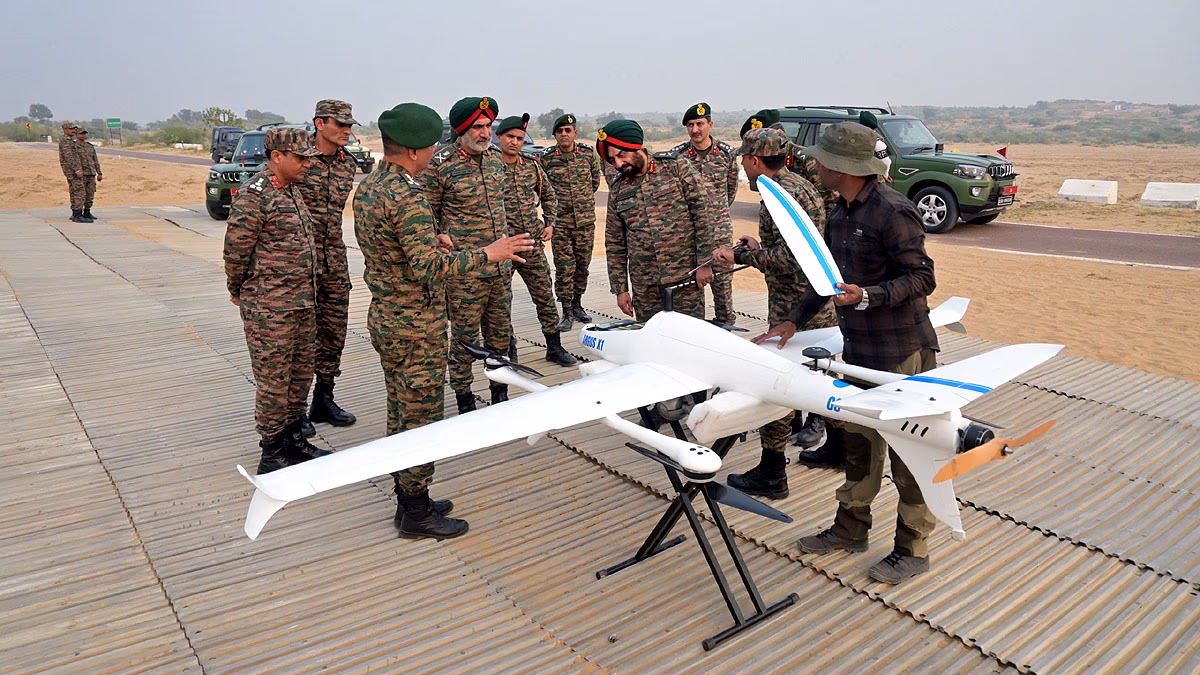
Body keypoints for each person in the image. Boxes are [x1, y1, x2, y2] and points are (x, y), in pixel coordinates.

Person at [754, 122, 940, 585]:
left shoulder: (893, 212)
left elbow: (922, 279)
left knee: (908, 455)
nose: (814, 165)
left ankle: (912, 549)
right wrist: (793, 320)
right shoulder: (839, 214)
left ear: (844, 167)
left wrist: (868, 296)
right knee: (859, 445)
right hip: (859, 351)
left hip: (901, 352)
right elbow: (829, 279)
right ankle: (850, 529)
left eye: (821, 159)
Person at [353, 102, 532, 539]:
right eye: (432, 143)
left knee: (400, 408)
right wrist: (488, 253)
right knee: (420, 417)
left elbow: (399, 248)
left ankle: (407, 495)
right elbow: (428, 268)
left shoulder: (372, 186)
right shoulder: (408, 195)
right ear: (415, 149)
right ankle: (416, 511)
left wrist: (432, 238)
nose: (436, 150)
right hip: (415, 325)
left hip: (389, 316)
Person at [713, 128, 837, 499]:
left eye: (743, 161)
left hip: (794, 307)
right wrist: (759, 244)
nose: (743, 168)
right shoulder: (797, 184)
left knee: (779, 384)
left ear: (753, 160)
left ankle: (772, 471)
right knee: (823, 377)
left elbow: (790, 259)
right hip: (815, 301)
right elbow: (797, 243)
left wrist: (741, 256)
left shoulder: (776, 194)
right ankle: (842, 450)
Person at [223, 128, 330, 475]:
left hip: (301, 303)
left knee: (300, 375)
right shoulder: (256, 195)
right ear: (277, 157)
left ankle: (293, 438)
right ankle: (271, 451)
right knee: (274, 380)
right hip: (270, 309)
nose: (306, 165)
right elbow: (236, 250)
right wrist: (238, 287)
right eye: (300, 159)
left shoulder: (292, 191)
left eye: (308, 159)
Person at [423, 96, 513, 413]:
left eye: (488, 126)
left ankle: (499, 394)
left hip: (500, 270)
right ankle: (464, 400)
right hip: (464, 273)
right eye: (478, 127)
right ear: (462, 130)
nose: (485, 133)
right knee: (464, 341)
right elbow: (425, 210)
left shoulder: (494, 160)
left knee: (500, 337)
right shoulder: (441, 164)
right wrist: (438, 232)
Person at [598, 119, 716, 321]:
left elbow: (703, 217)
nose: (618, 164)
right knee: (650, 340)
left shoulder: (676, 168)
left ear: (636, 147)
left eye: (621, 155)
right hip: (645, 286)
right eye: (612, 160)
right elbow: (615, 242)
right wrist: (620, 289)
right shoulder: (618, 189)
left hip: (684, 278)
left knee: (688, 338)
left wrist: (704, 264)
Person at [295, 99, 360, 436]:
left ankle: (323, 399)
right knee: (302, 336)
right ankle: (294, 411)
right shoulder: (299, 158)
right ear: (320, 124)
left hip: (334, 258)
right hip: (298, 261)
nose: (347, 131)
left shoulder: (348, 164)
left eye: (350, 125)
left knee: (334, 331)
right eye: (341, 125)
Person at [495, 113, 578, 367]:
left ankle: (554, 347)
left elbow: (550, 195)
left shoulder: (531, 166)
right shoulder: (489, 168)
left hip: (532, 244)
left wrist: (550, 222)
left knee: (544, 295)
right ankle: (509, 351)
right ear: (499, 138)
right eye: (510, 137)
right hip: (503, 247)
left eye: (520, 138)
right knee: (501, 302)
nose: (515, 142)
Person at [672, 102, 738, 326]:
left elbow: (730, 192)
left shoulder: (726, 155)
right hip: (688, 236)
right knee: (690, 294)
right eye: (690, 125)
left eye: (699, 124)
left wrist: (714, 215)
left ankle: (726, 331)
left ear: (710, 124)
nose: (695, 129)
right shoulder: (677, 157)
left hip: (720, 235)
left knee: (723, 293)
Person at [537, 113, 603, 331]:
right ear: (555, 135)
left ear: (575, 133)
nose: (564, 134)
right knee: (565, 267)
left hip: (585, 221)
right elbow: (542, 189)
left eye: (568, 130)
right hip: (561, 223)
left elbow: (594, 182)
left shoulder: (586, 154)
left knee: (583, 265)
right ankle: (565, 309)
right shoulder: (546, 158)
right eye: (560, 131)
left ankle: (577, 304)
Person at [58, 122, 85, 222]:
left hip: (71, 170)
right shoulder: (65, 141)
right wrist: (77, 169)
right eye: (71, 129)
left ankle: (75, 213)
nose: (73, 130)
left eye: (74, 128)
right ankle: (77, 214)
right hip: (72, 171)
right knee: (79, 191)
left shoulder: (70, 141)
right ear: (65, 130)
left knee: (75, 191)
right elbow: (69, 157)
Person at [74, 129, 103, 222]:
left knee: (90, 194)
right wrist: (77, 171)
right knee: (80, 194)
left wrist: (99, 173)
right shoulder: (74, 146)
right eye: (81, 134)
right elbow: (73, 161)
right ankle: (77, 213)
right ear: (76, 135)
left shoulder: (89, 147)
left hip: (91, 173)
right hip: (81, 174)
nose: (83, 135)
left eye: (84, 134)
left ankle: (87, 212)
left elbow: (95, 160)